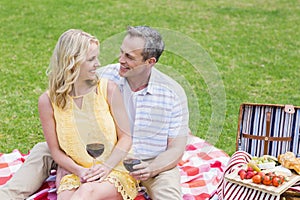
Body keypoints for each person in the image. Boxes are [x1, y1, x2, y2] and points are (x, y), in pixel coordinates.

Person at [0, 26, 189, 200]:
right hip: (98, 151)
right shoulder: (104, 76)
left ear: (150, 62)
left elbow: (176, 148)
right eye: (121, 52)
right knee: (44, 149)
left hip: (147, 161)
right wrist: (70, 164)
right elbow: (66, 99)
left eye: (129, 57)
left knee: (169, 195)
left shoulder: (172, 94)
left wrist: (151, 169)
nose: (120, 60)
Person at [39, 29, 137, 200]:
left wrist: (106, 167)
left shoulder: (108, 89)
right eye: (91, 59)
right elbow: (55, 151)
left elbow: (126, 137)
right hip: (78, 171)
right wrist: (80, 171)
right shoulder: (48, 101)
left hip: (114, 167)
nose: (98, 63)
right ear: (72, 62)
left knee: (86, 193)